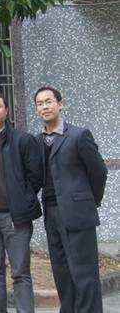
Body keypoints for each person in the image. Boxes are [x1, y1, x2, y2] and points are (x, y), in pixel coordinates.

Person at [34, 86, 107, 313]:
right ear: (36, 109)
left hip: (78, 213)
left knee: (84, 273)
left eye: (49, 102)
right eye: (40, 104)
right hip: (51, 213)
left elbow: (99, 172)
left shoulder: (79, 135)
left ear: (60, 104)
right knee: (62, 271)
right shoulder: (37, 141)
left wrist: (88, 201)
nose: (45, 107)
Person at [0, 92, 43, 313]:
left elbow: (35, 176)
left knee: (20, 271)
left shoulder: (23, 140)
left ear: (6, 111)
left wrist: (22, 199)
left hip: (16, 216)